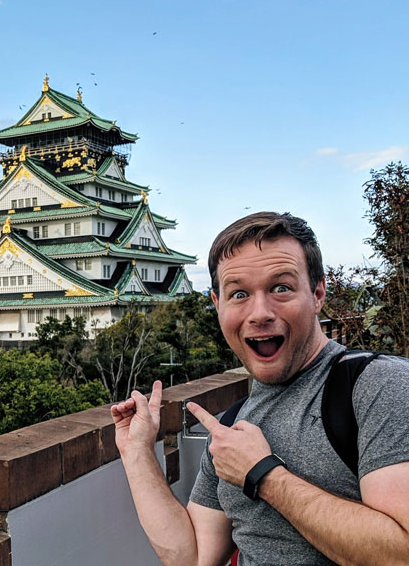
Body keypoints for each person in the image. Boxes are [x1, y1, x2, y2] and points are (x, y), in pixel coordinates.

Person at [111, 211, 409, 566]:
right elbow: (193, 557)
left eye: (280, 288)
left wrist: (263, 475)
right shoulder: (234, 423)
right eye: (238, 294)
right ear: (218, 305)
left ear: (317, 294)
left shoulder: (378, 386)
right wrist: (137, 453)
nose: (259, 313)